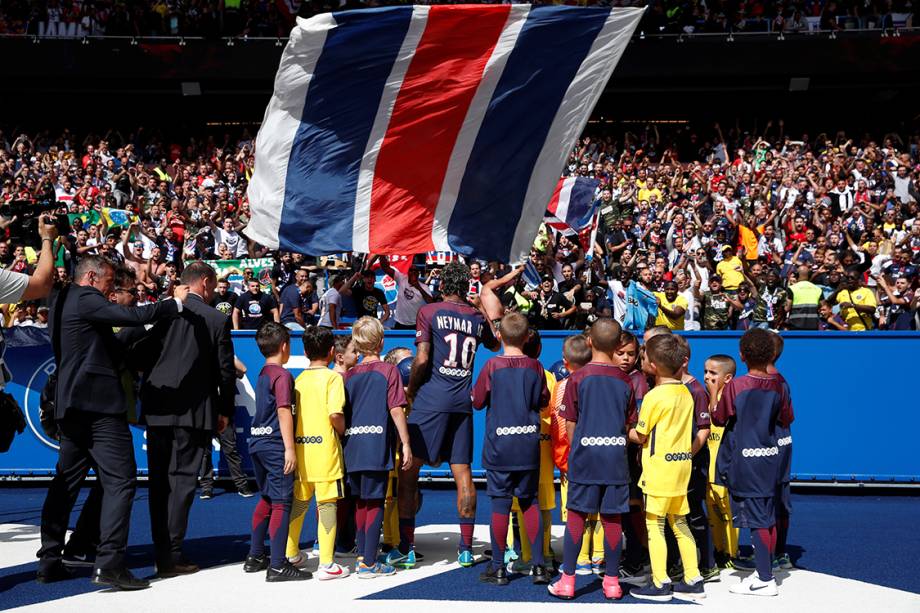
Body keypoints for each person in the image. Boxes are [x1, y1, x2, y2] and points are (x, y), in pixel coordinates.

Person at [38, 255, 188, 590]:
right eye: (108, 283)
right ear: (91, 277)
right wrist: (171, 305)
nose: (110, 291)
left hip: (72, 406)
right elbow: (130, 314)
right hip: (98, 407)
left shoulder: (64, 302)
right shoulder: (86, 297)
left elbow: (109, 345)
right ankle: (109, 563)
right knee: (121, 481)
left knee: (67, 482)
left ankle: (49, 559)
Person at [134, 261, 237, 578]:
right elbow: (226, 372)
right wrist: (224, 411)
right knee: (181, 482)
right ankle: (171, 554)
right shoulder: (217, 318)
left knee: (159, 482)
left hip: (158, 408)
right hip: (195, 411)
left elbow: (140, 354)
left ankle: (161, 550)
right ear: (205, 283)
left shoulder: (163, 311)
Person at [394, 262, 498, 569]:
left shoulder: (429, 312)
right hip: (460, 402)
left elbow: (422, 358)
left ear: (441, 286)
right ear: (467, 287)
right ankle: (466, 549)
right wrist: (480, 306)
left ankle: (406, 547)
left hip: (430, 399)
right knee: (463, 473)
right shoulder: (475, 315)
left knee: (409, 471)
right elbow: (494, 341)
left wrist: (410, 390)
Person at [548, 318, 635, 601]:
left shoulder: (577, 378)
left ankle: (568, 581)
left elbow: (569, 424)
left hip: (585, 457)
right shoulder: (625, 380)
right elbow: (627, 422)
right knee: (612, 519)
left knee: (577, 516)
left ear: (589, 342)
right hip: (615, 459)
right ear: (617, 345)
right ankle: (611, 583)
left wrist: (579, 450)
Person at [712, 329, 794, 597]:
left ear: (742, 355)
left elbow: (720, 418)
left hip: (745, 461)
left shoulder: (736, 385)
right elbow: (786, 418)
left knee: (758, 520)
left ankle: (764, 578)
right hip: (770, 458)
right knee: (766, 517)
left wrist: (715, 394)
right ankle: (765, 571)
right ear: (771, 355)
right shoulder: (779, 384)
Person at [471, 312, 550, 586]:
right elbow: (543, 400)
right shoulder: (535, 367)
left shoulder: (492, 366)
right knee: (530, 503)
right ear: (528, 337)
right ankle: (539, 566)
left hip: (499, 446)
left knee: (500, 505)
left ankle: (499, 568)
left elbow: (478, 401)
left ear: (500, 336)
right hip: (528, 444)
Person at [629, 334, 705, 602]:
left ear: (652, 364)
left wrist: (624, 430)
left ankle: (660, 582)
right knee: (680, 522)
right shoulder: (686, 392)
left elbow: (641, 435)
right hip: (681, 467)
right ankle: (693, 577)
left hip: (658, 470)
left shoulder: (653, 396)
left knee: (655, 526)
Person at [343, 317, 413, 578]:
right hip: (376, 444)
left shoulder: (349, 375)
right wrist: (406, 443)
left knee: (361, 502)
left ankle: (364, 554)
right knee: (374, 503)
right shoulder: (388, 371)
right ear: (382, 342)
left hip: (353, 444)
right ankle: (369, 563)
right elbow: (396, 409)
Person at [243, 323, 310, 582]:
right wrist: (290, 449)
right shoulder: (282, 376)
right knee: (282, 502)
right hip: (274, 445)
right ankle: (278, 564)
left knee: (268, 499)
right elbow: (284, 410)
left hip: (257, 442)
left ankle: (256, 555)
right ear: (284, 346)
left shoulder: (263, 373)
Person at [285, 326, 350, 580]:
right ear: (333, 352)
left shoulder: (299, 379)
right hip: (325, 452)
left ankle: (291, 552)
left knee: (299, 504)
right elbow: (335, 414)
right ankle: (326, 563)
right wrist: (344, 430)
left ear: (304, 351)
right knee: (327, 506)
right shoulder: (333, 378)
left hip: (301, 452)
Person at [702, 355, 739, 568]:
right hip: (708, 470)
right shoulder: (705, 397)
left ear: (728, 378)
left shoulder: (730, 399)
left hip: (723, 470)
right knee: (712, 513)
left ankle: (732, 554)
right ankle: (718, 551)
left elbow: (719, 417)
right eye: (706, 371)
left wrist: (714, 394)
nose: (707, 376)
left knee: (727, 513)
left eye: (713, 373)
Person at [379, 257, 432, 330]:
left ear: (418, 273)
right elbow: (385, 268)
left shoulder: (424, 287)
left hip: (415, 324)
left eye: (415, 270)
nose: (413, 272)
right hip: (400, 323)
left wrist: (418, 287)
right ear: (408, 272)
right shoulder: (402, 279)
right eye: (411, 270)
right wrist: (381, 253)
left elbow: (431, 302)